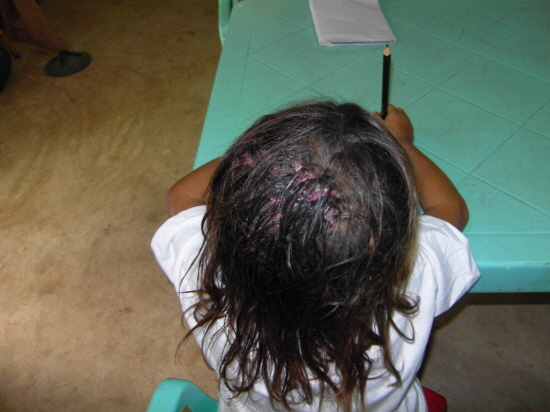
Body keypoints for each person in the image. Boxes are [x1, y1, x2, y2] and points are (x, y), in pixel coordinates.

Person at [151, 102, 480, 412]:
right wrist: (398, 142)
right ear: (390, 234)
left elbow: (183, 194)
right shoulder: (411, 277)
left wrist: (260, 159)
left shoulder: (208, 281)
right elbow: (450, 208)